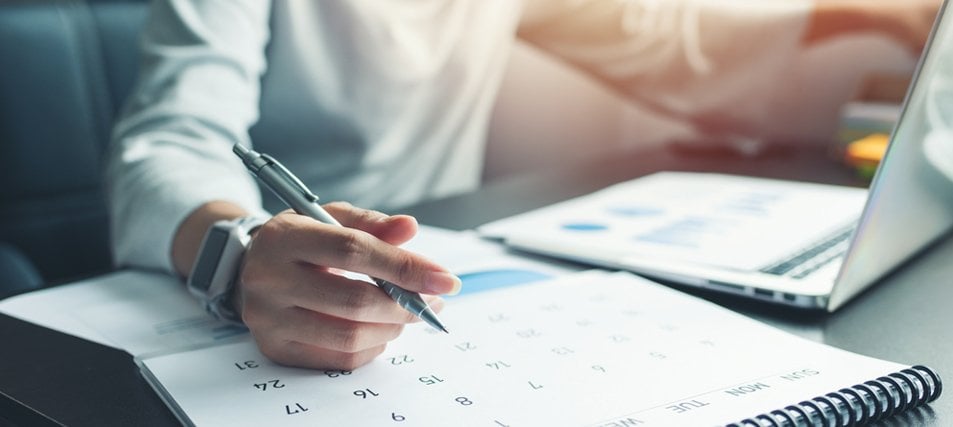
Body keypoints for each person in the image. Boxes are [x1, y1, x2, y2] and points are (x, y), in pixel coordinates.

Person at [107, 0, 940, 370]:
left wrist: (876, 16)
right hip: (273, 284)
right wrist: (242, 247)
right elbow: (168, 141)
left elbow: (661, 39)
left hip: (446, 261)